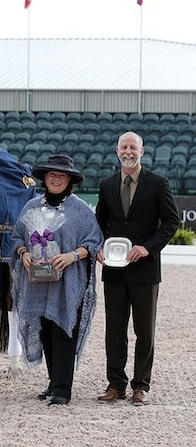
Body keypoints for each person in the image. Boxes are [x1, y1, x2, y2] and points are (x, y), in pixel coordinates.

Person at [10, 155, 103, 406]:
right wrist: (24, 253)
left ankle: (64, 389)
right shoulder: (30, 207)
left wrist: (72, 256)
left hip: (68, 283)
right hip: (38, 283)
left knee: (64, 331)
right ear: (44, 178)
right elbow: (17, 238)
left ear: (70, 179)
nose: (56, 178)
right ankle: (53, 383)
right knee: (47, 332)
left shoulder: (80, 210)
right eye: (52, 174)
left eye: (61, 175)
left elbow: (94, 242)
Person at [96, 131, 179, 406]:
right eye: (123, 147)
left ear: (141, 151)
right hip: (115, 270)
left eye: (133, 147)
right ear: (117, 151)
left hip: (145, 270)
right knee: (114, 330)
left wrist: (148, 248)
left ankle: (140, 385)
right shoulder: (107, 185)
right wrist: (97, 247)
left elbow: (171, 222)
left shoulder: (157, 183)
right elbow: (99, 223)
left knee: (145, 331)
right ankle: (115, 385)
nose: (128, 151)